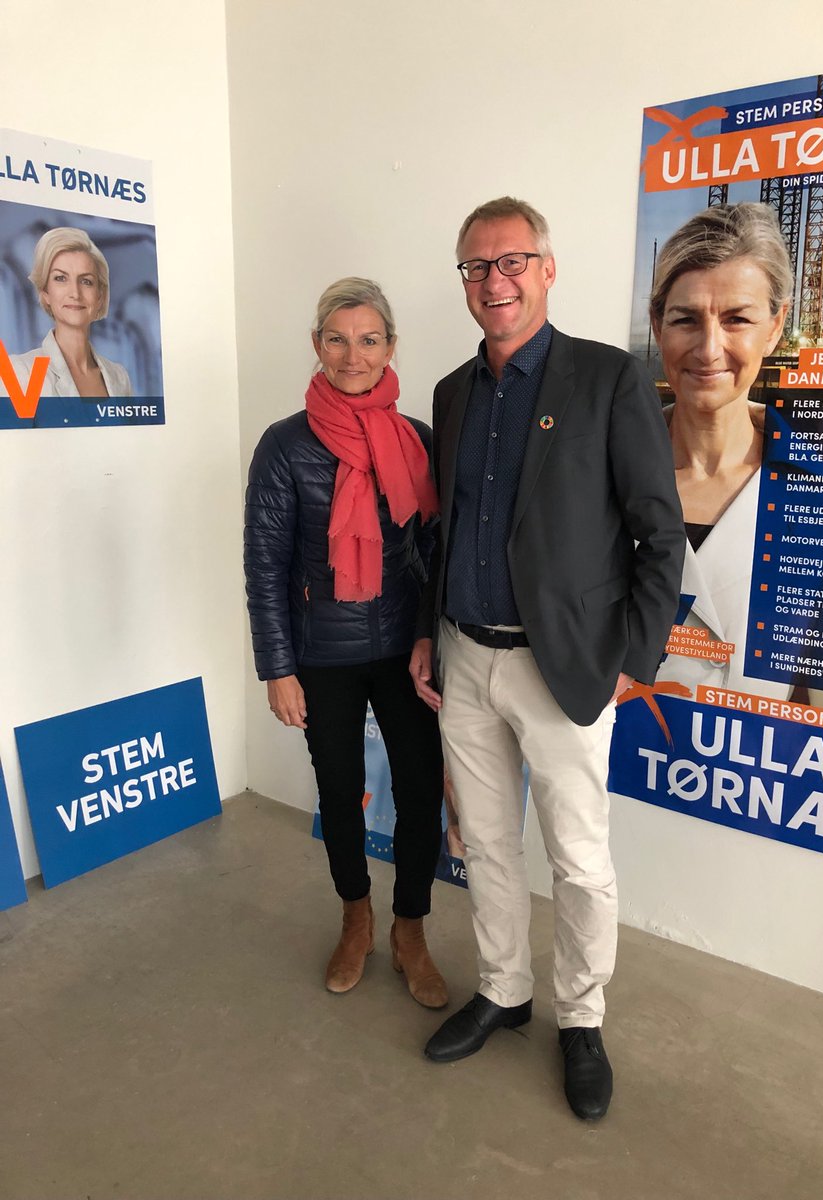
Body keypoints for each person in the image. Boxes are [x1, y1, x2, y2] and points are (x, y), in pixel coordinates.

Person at [410, 198, 684, 1119]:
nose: (495, 281)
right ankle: (503, 988)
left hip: (563, 666)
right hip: (465, 656)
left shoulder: (609, 379)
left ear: (547, 269)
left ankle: (581, 1018)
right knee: (484, 842)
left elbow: (659, 533)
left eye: (512, 262)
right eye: (477, 266)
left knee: (578, 857)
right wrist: (430, 632)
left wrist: (635, 657)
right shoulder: (452, 393)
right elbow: (446, 531)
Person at [245, 277, 448, 1008]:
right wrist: (278, 668)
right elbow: (265, 564)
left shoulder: (417, 438)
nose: (352, 355)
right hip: (321, 654)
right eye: (337, 339)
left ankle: (410, 929)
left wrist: (428, 636)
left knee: (421, 792)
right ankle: (355, 919)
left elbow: (438, 554)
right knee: (339, 793)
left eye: (368, 339)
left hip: (404, 651)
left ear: (391, 346)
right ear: (317, 345)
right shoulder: (284, 445)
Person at [649, 203, 791, 699]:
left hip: (756, 748)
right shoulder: (594, 473)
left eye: (737, 319)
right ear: (657, 325)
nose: (709, 349)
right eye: (686, 319)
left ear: (775, 327)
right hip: (615, 746)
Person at [4, 227, 132, 398]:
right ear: (45, 293)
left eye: (86, 281)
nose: (75, 293)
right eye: (61, 278)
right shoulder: (19, 372)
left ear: (99, 296)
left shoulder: (119, 377)